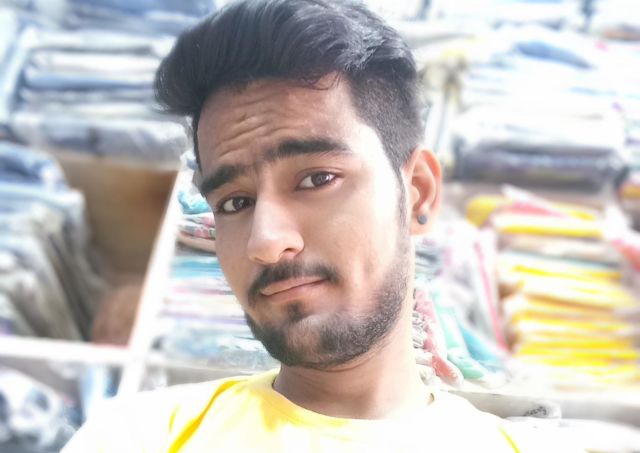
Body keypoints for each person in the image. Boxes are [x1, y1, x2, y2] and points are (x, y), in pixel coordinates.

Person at [63, 1, 583, 451]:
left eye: (317, 179)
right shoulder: (138, 437)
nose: (266, 242)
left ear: (418, 192)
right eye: (235, 202)